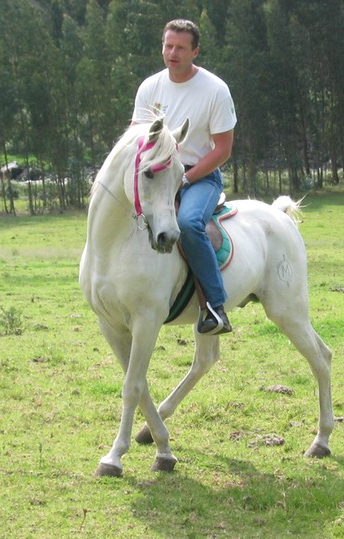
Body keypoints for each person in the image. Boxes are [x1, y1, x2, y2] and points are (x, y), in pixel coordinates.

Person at [131, 19, 236, 335]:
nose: (172, 52)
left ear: (195, 51)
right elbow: (138, 139)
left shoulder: (215, 90)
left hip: (200, 177)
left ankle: (215, 308)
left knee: (189, 224)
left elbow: (223, 149)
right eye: (167, 45)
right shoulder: (150, 88)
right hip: (155, 175)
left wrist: (186, 178)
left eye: (180, 47)